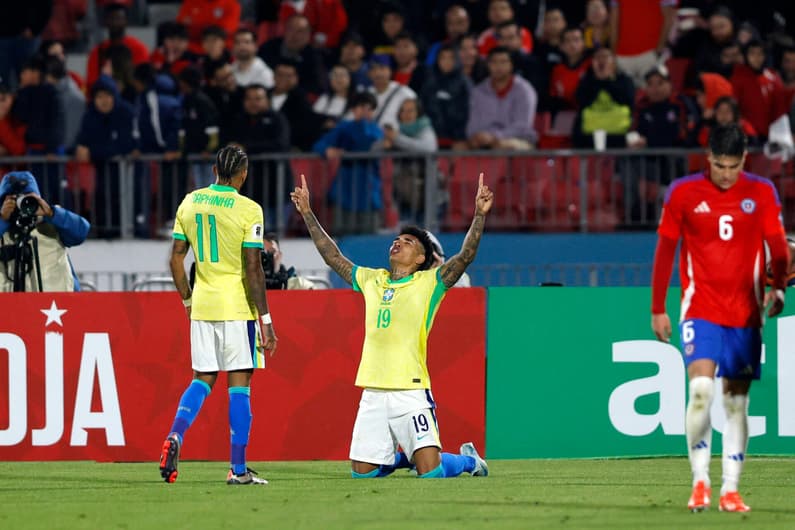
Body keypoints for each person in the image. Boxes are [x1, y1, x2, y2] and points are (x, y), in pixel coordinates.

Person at [290, 170, 492, 479]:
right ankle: (404, 457)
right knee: (363, 474)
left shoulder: (430, 283)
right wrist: (307, 213)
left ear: (420, 258)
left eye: (408, 242)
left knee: (431, 473)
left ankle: (469, 462)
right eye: (397, 239)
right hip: (373, 389)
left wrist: (478, 215)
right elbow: (333, 256)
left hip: (410, 389)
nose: (398, 242)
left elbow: (465, 257)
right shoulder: (373, 279)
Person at [650, 123, 789, 513]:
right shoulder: (683, 193)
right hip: (701, 308)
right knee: (701, 393)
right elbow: (665, 251)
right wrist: (657, 307)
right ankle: (700, 482)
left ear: (744, 159)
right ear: (708, 158)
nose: (726, 174)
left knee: (735, 406)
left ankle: (731, 488)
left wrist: (778, 288)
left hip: (746, 314)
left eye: (732, 166)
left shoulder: (761, 192)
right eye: (719, 165)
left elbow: (779, 248)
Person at [160, 144, 277, 486]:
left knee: (202, 379)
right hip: (237, 306)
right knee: (239, 386)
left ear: (214, 170)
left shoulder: (190, 201)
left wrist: (187, 301)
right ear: (242, 174)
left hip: (204, 305)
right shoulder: (248, 209)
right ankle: (238, 469)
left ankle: (175, 435)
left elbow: (176, 259)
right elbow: (253, 268)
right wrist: (265, 321)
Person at [0, 171, 89, 292]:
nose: (20, 205)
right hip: (10, 307)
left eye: (27, 197)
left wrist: (52, 214)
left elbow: (81, 232)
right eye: (13, 199)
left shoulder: (53, 218)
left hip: (59, 305)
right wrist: (2, 220)